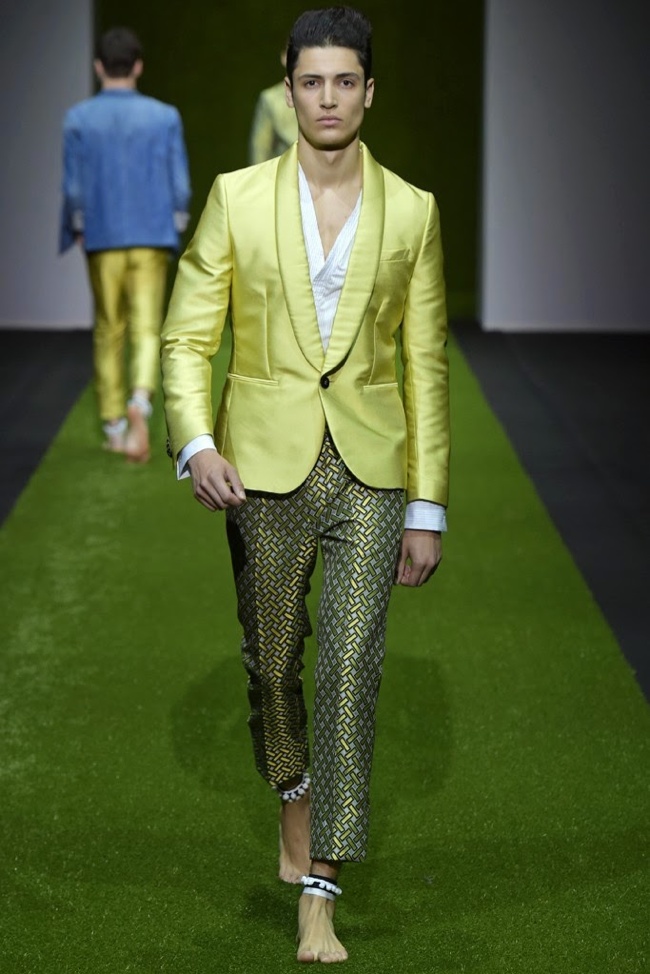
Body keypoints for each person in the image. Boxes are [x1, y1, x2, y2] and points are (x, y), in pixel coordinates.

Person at [161, 6, 449, 963]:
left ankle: (320, 893)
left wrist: (427, 506)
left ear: (370, 91)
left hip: (371, 470)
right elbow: (187, 335)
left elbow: (426, 365)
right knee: (273, 663)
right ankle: (295, 793)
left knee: (351, 667)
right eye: (312, 81)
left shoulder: (413, 210)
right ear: (288, 90)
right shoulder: (236, 197)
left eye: (345, 81)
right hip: (260, 468)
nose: (328, 98)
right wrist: (196, 442)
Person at [60, 27, 191, 462]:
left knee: (108, 328)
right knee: (147, 327)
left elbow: (74, 187)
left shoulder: (79, 118)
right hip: (151, 234)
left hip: (103, 236)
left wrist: (79, 225)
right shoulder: (164, 116)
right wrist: (176, 222)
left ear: (98, 66)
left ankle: (115, 426)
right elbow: (179, 183)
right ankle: (140, 402)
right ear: (138, 66)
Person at [248, 48, 300, 164]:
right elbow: (260, 148)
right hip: (286, 170)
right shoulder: (270, 99)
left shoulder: (328, 96)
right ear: (284, 57)